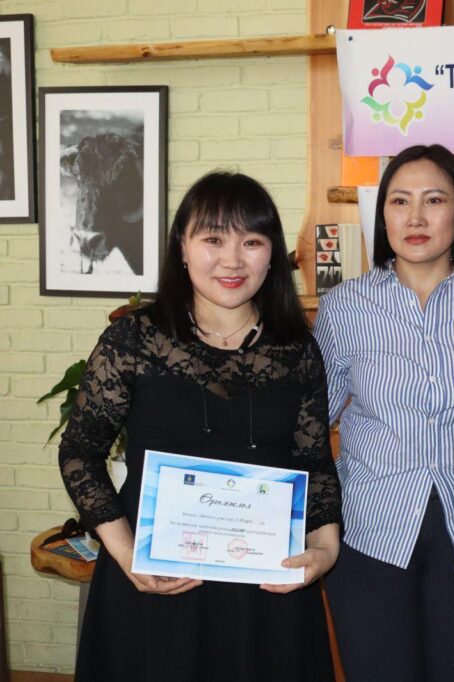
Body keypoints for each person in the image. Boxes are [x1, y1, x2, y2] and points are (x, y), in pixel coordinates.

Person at [58, 172, 341, 682]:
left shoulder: (296, 350)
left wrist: (325, 547)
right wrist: (128, 555)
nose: (232, 260)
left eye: (251, 242)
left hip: (263, 593)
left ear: (272, 255)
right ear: (182, 249)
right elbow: (80, 453)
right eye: (213, 239)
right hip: (157, 583)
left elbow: (313, 461)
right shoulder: (134, 340)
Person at [313, 144, 454, 681]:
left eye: (434, 199)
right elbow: (309, 424)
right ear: (382, 215)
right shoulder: (344, 306)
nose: (416, 217)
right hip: (368, 531)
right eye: (400, 201)